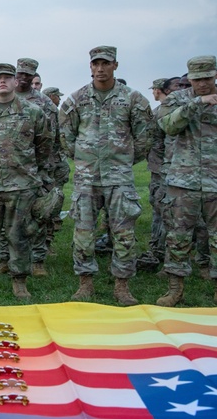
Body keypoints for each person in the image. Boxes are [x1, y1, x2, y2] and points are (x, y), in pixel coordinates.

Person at [60, 45, 153, 305]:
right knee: (83, 233)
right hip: (86, 179)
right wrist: (84, 160)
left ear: (115, 65)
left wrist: (122, 161)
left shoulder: (133, 99)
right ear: (90, 66)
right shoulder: (76, 99)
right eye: (96, 64)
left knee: (124, 235)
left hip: (119, 179)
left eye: (105, 63)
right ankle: (85, 284)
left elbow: (144, 137)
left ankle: (122, 286)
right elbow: (66, 137)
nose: (100, 68)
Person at [0, 64, 53, 299]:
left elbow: (44, 145)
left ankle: (19, 281)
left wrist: (39, 177)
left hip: (22, 185)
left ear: (16, 82)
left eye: (7, 77)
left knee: (19, 236)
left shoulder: (33, 112)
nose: (2, 81)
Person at [157, 56, 217, 305]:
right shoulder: (177, 100)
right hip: (183, 181)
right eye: (197, 79)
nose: (202, 83)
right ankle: (175, 289)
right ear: (189, 79)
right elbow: (169, 126)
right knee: (178, 236)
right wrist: (197, 103)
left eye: (207, 78)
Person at [14, 58, 68, 276]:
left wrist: (47, 167)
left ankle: (37, 261)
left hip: (40, 168)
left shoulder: (45, 104)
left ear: (34, 75)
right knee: (9, 215)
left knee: (39, 214)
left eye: (28, 74)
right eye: (21, 73)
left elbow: (53, 138)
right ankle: (6, 258)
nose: (24, 77)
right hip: (13, 167)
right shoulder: (6, 98)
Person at [137, 77, 178, 272]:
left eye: (154, 89)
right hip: (161, 170)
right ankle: (159, 250)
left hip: (167, 171)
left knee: (166, 214)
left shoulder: (161, 113)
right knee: (161, 213)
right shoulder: (156, 113)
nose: (153, 92)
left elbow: (153, 143)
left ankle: (163, 253)